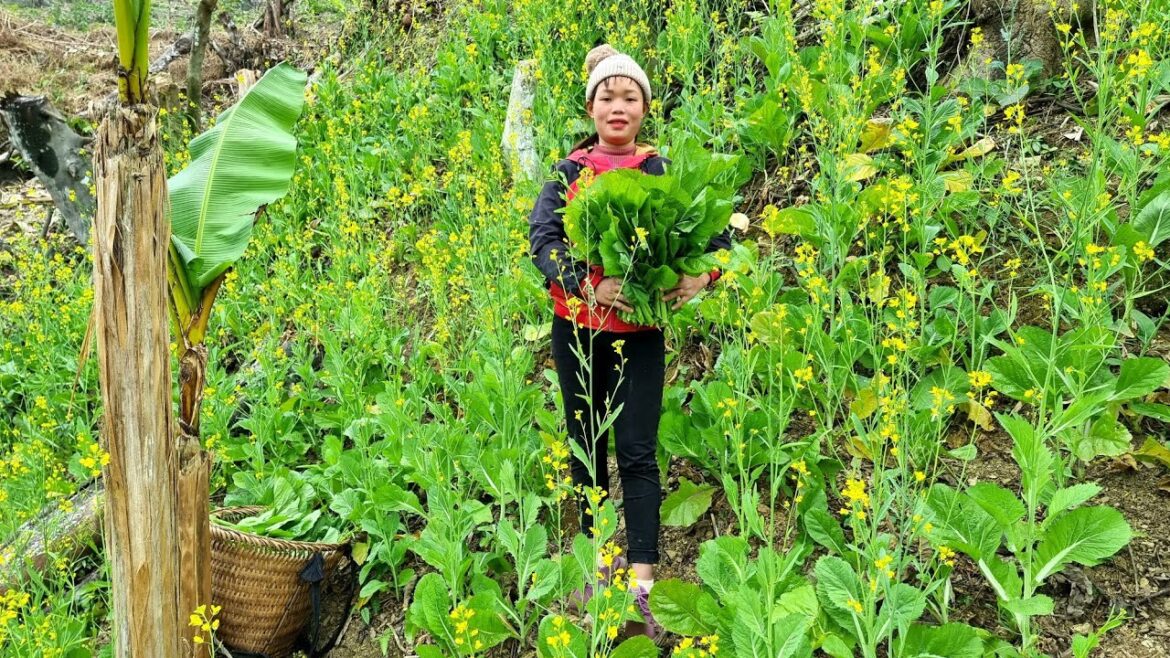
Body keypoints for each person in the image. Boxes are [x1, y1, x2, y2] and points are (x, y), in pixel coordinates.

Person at [527, 44, 730, 639]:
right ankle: (597, 567)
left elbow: (714, 238)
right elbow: (543, 244)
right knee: (586, 444)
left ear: (645, 108)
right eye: (607, 97)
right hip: (579, 330)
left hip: (639, 336)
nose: (619, 107)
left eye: (630, 97)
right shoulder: (567, 175)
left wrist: (701, 275)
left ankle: (641, 585)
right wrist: (591, 281)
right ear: (591, 108)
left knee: (638, 450)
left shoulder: (660, 172)